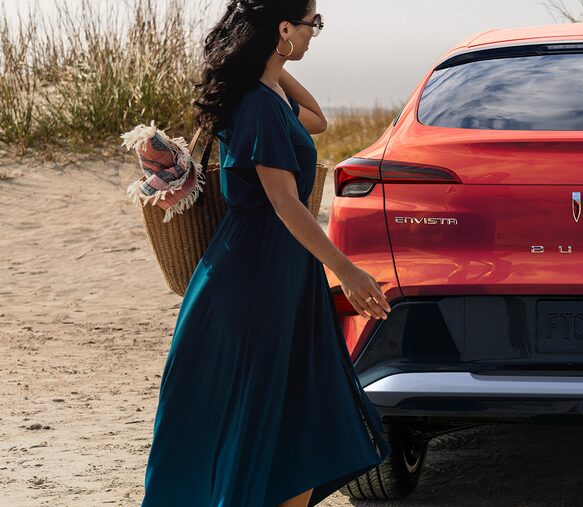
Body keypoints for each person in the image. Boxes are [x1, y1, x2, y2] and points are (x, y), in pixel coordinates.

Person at [141, 1, 394, 505]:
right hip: (255, 277)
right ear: (283, 27)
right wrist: (345, 269)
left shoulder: (266, 95)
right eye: (312, 23)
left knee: (288, 417)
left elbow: (318, 120)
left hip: (274, 272)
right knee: (265, 415)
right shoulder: (257, 105)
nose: (315, 34)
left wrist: (274, 60)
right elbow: (284, 203)